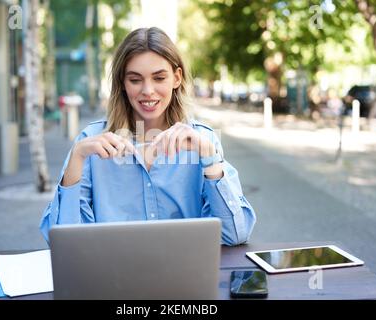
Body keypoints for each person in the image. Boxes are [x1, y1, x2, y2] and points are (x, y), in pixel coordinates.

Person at [39, 27, 256, 246]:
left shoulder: (202, 140)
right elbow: (61, 241)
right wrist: (76, 158)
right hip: (113, 276)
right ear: (123, 83)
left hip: (185, 276)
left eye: (159, 78)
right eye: (135, 80)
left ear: (177, 78)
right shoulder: (91, 142)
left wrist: (210, 159)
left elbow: (234, 235)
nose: (148, 91)